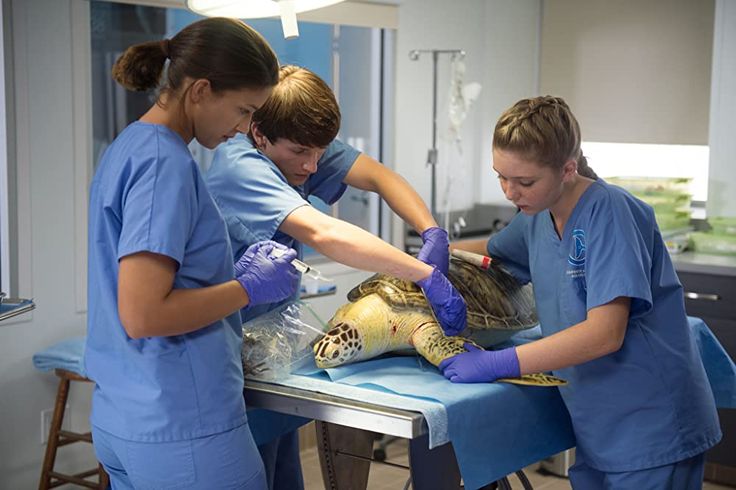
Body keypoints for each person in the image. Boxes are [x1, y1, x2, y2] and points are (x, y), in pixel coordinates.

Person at [206, 65, 467, 489]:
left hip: (269, 351)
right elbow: (322, 231)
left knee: (282, 472)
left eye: (320, 152)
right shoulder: (240, 167)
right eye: (301, 152)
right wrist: (423, 274)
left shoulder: (296, 148)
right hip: (224, 353)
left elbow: (381, 178)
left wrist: (430, 229)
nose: (312, 165)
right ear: (259, 134)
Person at [445, 95, 721, 488]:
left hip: (652, 425)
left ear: (568, 169)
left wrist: (497, 363)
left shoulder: (611, 214)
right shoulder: (537, 216)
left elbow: (605, 333)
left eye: (524, 182)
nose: (510, 192)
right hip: (597, 426)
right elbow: (493, 251)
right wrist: (435, 252)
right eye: (500, 177)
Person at [85, 18, 301, 489]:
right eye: (243, 111)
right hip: (182, 425)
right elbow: (143, 314)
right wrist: (245, 289)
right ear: (200, 90)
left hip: (125, 417)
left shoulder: (129, 146)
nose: (244, 128)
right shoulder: (166, 163)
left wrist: (226, 280)